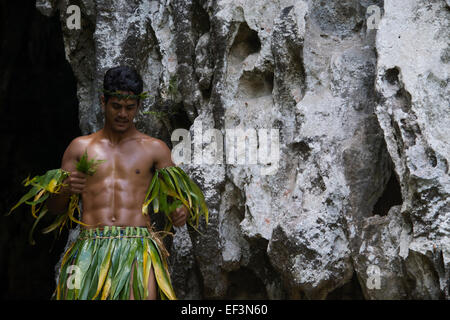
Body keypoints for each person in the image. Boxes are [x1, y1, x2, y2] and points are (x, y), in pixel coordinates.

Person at [46, 65, 188, 300]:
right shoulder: (80, 148)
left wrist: (178, 212)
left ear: (138, 106)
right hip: (91, 248)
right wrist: (65, 188)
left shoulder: (155, 150)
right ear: (103, 101)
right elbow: (54, 208)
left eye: (130, 108)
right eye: (116, 106)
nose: (123, 114)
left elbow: (174, 202)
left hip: (137, 248)